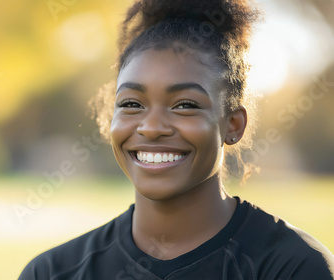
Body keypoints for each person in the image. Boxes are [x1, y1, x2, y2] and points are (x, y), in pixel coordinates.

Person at [19, 0, 334, 279]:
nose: (152, 127)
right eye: (131, 104)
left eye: (185, 105)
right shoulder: (53, 272)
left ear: (233, 124)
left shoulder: (292, 268)